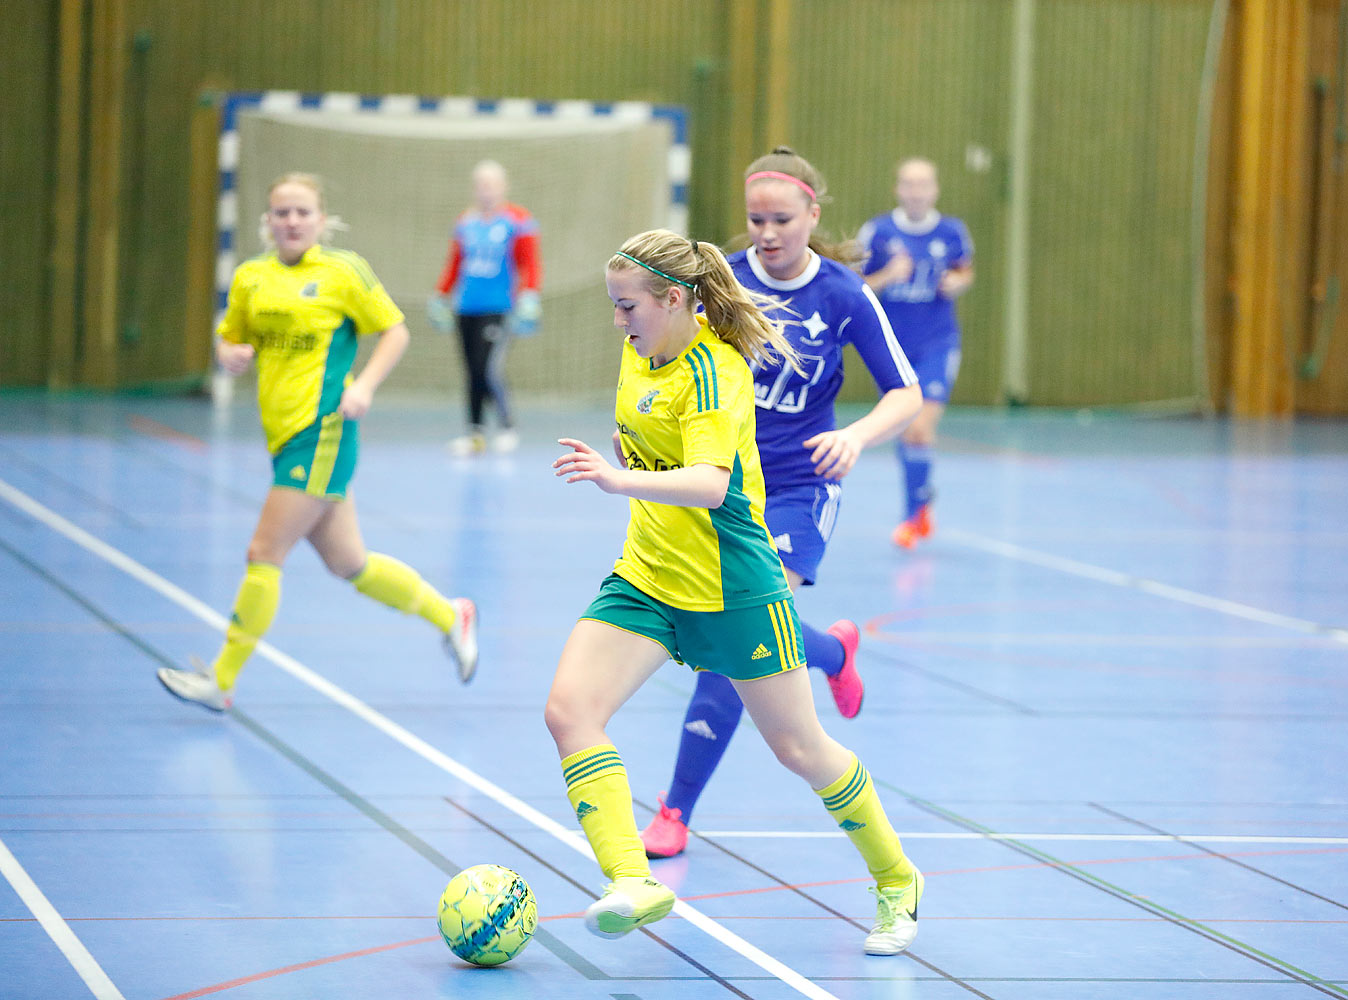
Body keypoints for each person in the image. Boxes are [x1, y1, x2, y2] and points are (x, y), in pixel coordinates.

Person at [546, 229, 924, 955]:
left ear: (676, 299)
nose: (618, 322)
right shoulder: (637, 351)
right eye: (615, 306)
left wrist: (618, 478)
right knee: (569, 711)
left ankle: (897, 878)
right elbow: (643, 435)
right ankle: (634, 880)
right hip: (648, 576)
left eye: (628, 307)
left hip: (732, 585)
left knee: (800, 748)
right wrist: (630, 456)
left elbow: (710, 483)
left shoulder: (716, 373)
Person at [640, 147, 922, 861]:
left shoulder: (843, 294)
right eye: (755, 220)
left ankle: (674, 808)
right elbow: (673, 361)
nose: (767, 233)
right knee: (745, 630)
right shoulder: (720, 283)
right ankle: (831, 648)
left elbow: (905, 392)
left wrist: (855, 438)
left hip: (800, 486)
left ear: (812, 216)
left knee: (736, 641)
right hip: (727, 484)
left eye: (782, 220)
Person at [157, 172, 478, 712]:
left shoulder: (342, 271)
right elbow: (233, 336)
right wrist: (228, 352)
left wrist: (366, 388)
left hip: (323, 431)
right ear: (268, 220)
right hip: (282, 436)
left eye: (303, 212)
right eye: (282, 212)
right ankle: (452, 616)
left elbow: (394, 330)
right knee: (349, 563)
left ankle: (222, 679)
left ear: (321, 219)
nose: (292, 221)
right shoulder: (250, 278)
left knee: (264, 551)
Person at [858, 157, 974, 548]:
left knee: (920, 427)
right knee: (908, 431)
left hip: (937, 343)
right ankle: (921, 504)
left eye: (923, 184)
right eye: (909, 184)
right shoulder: (878, 232)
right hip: (891, 347)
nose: (916, 191)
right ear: (898, 190)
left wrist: (956, 283)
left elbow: (964, 272)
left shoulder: (952, 232)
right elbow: (856, 288)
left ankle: (913, 517)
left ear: (935, 190)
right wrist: (888, 276)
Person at [430, 160, 542, 456]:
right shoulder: (465, 222)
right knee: (471, 371)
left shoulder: (518, 220)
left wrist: (530, 295)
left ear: (503, 187)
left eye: (491, 185)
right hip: (466, 306)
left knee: (487, 368)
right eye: (481, 185)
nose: (486, 191)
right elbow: (455, 263)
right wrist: (441, 295)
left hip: (499, 307)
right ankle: (474, 433)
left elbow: (529, 263)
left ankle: (507, 426)